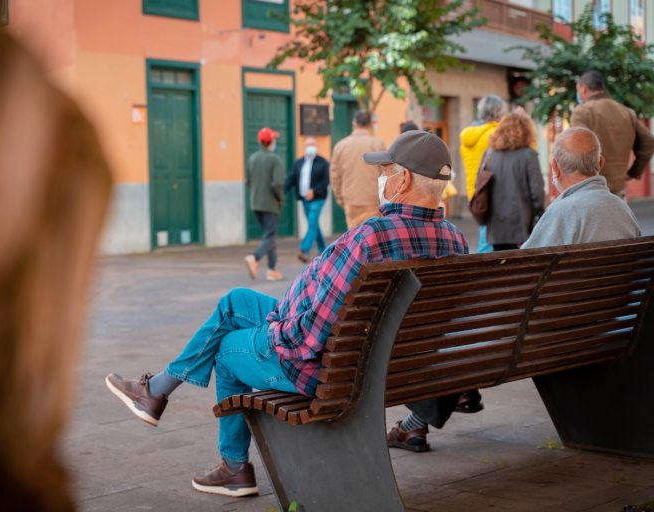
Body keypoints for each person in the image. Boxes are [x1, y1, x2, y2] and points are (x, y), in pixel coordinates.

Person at [105, 131, 468, 498]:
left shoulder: (370, 238)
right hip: (388, 362)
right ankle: (158, 389)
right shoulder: (455, 240)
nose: (380, 179)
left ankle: (233, 466)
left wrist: (270, 333)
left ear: (403, 179)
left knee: (227, 347)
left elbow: (307, 336)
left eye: (385, 171)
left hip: (332, 368)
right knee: (235, 301)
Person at [522, 127, 641, 248]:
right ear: (600, 164)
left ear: (555, 168)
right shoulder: (623, 209)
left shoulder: (560, 213)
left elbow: (525, 261)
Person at [571, 69, 654, 200]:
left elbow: (578, 149)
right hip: (619, 192)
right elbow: (648, 142)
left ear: (583, 88)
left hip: (591, 192)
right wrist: (634, 172)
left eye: (578, 90)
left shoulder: (582, 112)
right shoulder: (627, 112)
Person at [485, 112, 545, 251]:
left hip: (495, 226)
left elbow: (480, 186)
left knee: (501, 267)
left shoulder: (489, 154)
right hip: (521, 225)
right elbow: (537, 193)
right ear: (527, 130)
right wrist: (539, 213)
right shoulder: (528, 155)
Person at [460, 95, 507, 253]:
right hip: (494, 190)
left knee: (486, 231)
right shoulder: (496, 134)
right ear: (498, 112)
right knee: (489, 239)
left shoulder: (469, 136)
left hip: (476, 191)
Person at [330, 110, 386, 228]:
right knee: (372, 238)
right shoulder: (378, 144)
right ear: (370, 124)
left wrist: (341, 198)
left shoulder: (340, 146)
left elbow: (335, 176)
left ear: (354, 123)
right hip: (373, 200)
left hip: (350, 200)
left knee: (354, 238)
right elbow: (386, 174)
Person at [245, 127, 285, 281]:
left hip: (256, 203)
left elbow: (248, 182)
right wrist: (280, 198)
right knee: (270, 235)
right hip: (270, 203)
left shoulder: (252, 158)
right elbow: (277, 183)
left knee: (269, 235)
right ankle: (254, 258)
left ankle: (272, 269)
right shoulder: (275, 159)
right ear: (271, 142)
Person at [284, 137, 330, 263]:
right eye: (308, 145)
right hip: (304, 199)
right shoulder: (299, 162)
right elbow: (291, 178)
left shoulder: (323, 162)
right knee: (313, 225)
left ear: (316, 146)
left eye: (313, 144)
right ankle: (324, 250)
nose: (310, 147)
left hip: (318, 199)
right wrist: (282, 191)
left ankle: (304, 250)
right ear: (304, 147)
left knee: (312, 222)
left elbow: (326, 181)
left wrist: (314, 191)